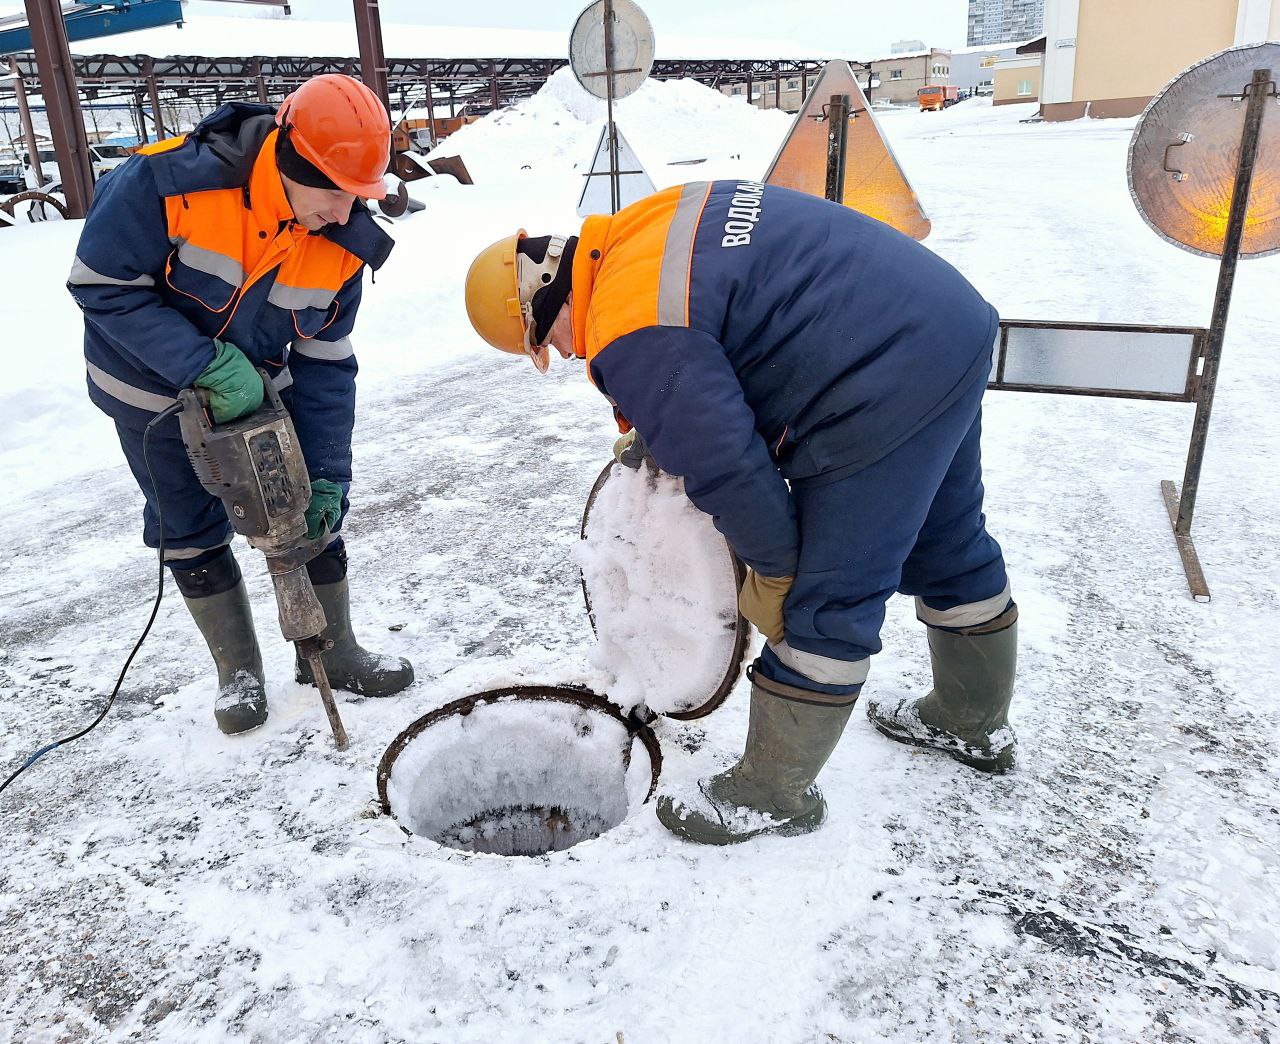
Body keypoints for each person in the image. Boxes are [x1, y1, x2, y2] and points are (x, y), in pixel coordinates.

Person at [463, 180, 1017, 845]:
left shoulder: (626, 325)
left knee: (825, 596)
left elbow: (733, 471)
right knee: (946, 545)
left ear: (540, 306)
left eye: (548, 343)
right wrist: (661, 421)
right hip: (942, 326)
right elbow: (720, 329)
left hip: (876, 380)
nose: (571, 353)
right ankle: (969, 719)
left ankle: (770, 794)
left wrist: (778, 571)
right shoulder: (640, 228)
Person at [68, 74, 414, 736]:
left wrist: (332, 474)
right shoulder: (168, 183)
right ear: (290, 160)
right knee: (188, 525)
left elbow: (327, 365)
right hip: (150, 398)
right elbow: (100, 284)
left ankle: (334, 651)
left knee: (311, 511)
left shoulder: (343, 242)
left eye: (359, 196)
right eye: (335, 192)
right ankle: (239, 672)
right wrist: (202, 365)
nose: (346, 213)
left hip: (261, 395)